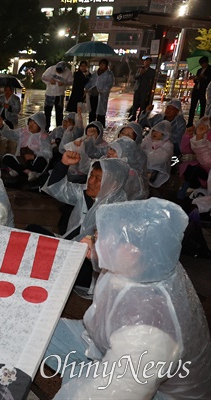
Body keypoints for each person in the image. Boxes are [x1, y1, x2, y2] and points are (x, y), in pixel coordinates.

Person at [43, 198, 211, 399]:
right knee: (37, 329)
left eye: (99, 237)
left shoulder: (147, 332)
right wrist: (95, 253)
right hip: (114, 345)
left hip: (150, 386)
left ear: (132, 251)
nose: (89, 240)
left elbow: (113, 394)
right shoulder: (151, 262)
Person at [38, 155, 129, 293]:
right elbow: (56, 188)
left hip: (90, 267)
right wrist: (63, 164)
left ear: (113, 184)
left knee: (45, 263)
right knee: (32, 232)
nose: (91, 181)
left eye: (98, 179)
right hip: (69, 246)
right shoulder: (85, 193)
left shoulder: (119, 209)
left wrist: (93, 242)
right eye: (91, 175)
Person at [0, 111, 52, 182]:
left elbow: (49, 154)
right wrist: (2, 126)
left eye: (35, 123)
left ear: (40, 125)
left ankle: (22, 171)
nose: (31, 125)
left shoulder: (43, 137)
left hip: (34, 162)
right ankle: (27, 172)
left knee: (42, 160)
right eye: (31, 122)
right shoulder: (23, 132)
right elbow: (10, 134)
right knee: (6, 158)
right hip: (21, 161)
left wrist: (34, 156)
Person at [178, 116, 211, 199]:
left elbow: (207, 161)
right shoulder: (206, 134)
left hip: (204, 171)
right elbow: (186, 150)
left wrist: (199, 139)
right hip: (200, 169)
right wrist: (187, 136)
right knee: (189, 168)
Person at [141, 120, 174, 188]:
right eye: (154, 131)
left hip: (156, 170)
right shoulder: (147, 140)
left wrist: (143, 156)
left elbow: (160, 158)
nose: (154, 133)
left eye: (158, 132)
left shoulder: (168, 145)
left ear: (165, 134)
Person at [41, 61, 73, 132]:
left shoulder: (68, 72)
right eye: (57, 70)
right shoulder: (51, 69)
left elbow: (71, 82)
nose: (58, 72)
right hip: (49, 93)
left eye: (60, 71)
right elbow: (43, 77)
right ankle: (46, 128)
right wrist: (50, 80)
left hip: (60, 95)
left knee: (59, 112)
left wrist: (64, 83)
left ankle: (59, 129)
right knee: (47, 111)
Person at [85, 59, 114, 127]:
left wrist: (101, 90)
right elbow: (90, 82)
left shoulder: (109, 74)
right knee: (92, 111)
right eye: (100, 64)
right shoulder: (95, 74)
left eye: (103, 64)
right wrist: (87, 88)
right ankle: (91, 125)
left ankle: (100, 127)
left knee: (101, 112)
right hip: (93, 95)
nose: (101, 65)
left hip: (102, 96)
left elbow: (109, 85)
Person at [128, 57, 155, 122]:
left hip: (145, 90)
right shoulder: (139, 69)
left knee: (143, 104)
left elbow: (151, 79)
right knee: (135, 103)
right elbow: (136, 77)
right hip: (137, 89)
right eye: (146, 61)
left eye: (148, 61)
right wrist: (141, 73)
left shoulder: (152, 71)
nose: (146, 63)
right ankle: (133, 116)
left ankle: (141, 117)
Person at [188, 56, 211, 126]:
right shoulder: (199, 70)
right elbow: (196, 80)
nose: (202, 65)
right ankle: (190, 122)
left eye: (203, 63)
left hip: (204, 90)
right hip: (196, 89)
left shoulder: (210, 70)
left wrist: (204, 77)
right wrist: (195, 78)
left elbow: (208, 80)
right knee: (192, 106)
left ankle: (201, 122)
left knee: (203, 107)